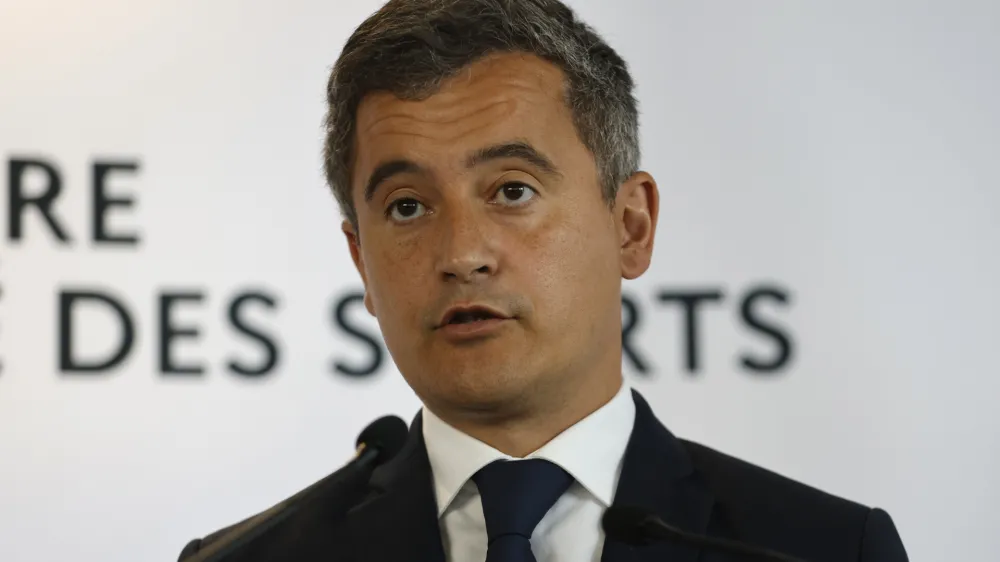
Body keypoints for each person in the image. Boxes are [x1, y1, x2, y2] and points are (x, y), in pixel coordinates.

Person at [179, 1, 908, 560]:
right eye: (407, 206)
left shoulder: (822, 549)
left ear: (631, 225)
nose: (463, 253)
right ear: (361, 262)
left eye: (513, 190)